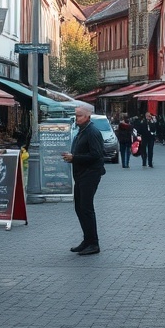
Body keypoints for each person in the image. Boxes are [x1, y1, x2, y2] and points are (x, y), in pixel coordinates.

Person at [62, 105, 106, 255]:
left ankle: (93, 243)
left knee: (86, 208)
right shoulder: (82, 131)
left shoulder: (92, 132)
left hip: (90, 174)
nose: (76, 118)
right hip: (81, 174)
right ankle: (87, 240)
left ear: (88, 117)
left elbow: (97, 155)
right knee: (79, 207)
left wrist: (75, 158)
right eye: (76, 115)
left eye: (79, 115)